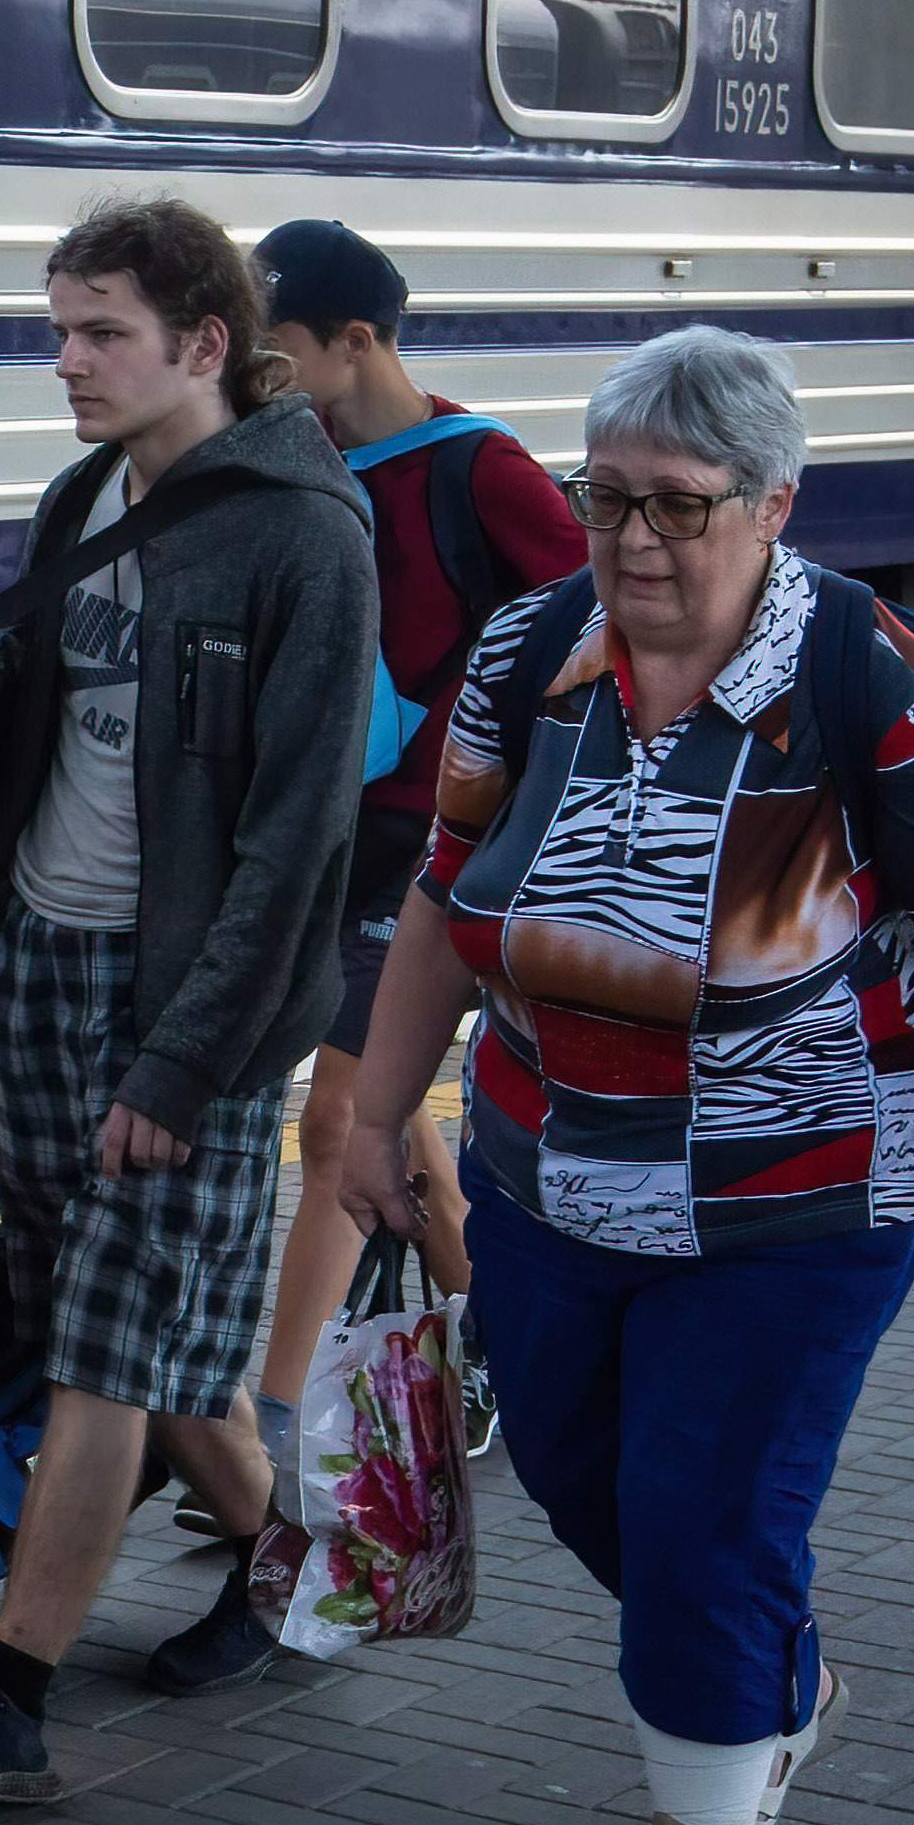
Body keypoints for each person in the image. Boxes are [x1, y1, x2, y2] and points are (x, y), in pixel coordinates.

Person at [333, 326, 914, 1825]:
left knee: (696, 1527)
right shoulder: (527, 652)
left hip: (801, 1196)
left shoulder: (869, 687)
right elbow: (446, 905)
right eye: (604, 499)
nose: (632, 542)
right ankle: (763, 1680)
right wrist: (370, 1119)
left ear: (770, 507)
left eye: (676, 508)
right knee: (582, 1480)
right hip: (550, 1171)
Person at [0, 200, 378, 1802]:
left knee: (98, 1350)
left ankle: (10, 1695)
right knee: (149, 1340)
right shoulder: (84, 493)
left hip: (184, 1007)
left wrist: (187, 1054)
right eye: (58, 327)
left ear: (203, 347)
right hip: (37, 971)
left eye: (100, 335)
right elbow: (17, 762)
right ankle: (298, 1565)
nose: (64, 362)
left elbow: (294, 841)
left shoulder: (302, 537)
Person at [239, 218, 584, 1498]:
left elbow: (592, 634)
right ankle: (499, 1333)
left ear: (357, 339)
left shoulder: (483, 468)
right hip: (330, 823)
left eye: (274, 347)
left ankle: (278, 1430)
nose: (254, 374)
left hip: (439, 841)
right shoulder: (294, 458)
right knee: (381, 1108)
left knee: (338, 1122)